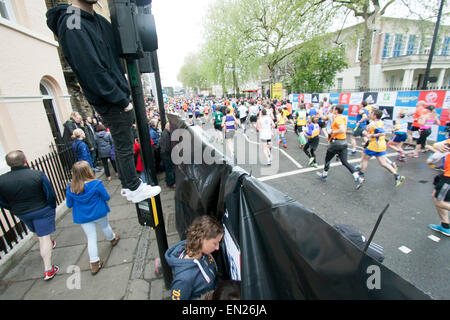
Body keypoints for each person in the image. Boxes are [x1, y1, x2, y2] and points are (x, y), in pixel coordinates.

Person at [46, 0, 161, 204]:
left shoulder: (96, 19)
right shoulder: (72, 20)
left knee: (124, 140)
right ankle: (133, 187)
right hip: (110, 98)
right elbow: (89, 68)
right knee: (124, 142)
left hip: (115, 94)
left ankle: (129, 184)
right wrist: (119, 97)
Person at [0, 151, 59, 280]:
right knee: (44, 237)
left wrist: (12, 208)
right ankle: (48, 269)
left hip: (22, 213)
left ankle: (48, 244)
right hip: (41, 210)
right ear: (25, 160)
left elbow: (2, 201)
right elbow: (49, 193)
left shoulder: (2, 180)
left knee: (36, 232)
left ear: (9, 164)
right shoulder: (37, 175)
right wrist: (51, 206)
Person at [66, 161, 120, 275]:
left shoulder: (71, 188)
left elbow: (69, 205)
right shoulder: (96, 184)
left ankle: (94, 263)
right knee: (105, 227)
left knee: (91, 238)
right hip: (99, 212)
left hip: (83, 217)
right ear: (88, 171)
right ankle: (113, 239)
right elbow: (106, 196)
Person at [165, 215, 224, 300]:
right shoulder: (184, 279)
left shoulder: (203, 253)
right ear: (202, 239)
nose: (217, 247)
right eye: (215, 243)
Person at [317, 105, 363, 189]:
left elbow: (342, 129)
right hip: (344, 142)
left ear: (336, 111)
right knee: (345, 162)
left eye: (334, 109)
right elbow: (328, 118)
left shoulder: (338, 119)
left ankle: (324, 175)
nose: (332, 110)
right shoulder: (342, 117)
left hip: (336, 142)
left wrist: (332, 131)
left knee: (327, 159)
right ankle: (357, 177)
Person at [356, 109, 405, 188]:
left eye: (371, 113)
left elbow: (382, 133)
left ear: (375, 116)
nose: (369, 114)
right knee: (383, 163)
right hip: (380, 145)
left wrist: (370, 135)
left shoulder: (376, 123)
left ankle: (361, 176)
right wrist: (366, 132)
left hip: (374, 145)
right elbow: (373, 130)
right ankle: (397, 176)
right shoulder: (377, 122)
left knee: (365, 159)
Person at [428, 140, 450, 236]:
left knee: (439, 201)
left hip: (448, 177)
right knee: (436, 196)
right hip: (446, 174)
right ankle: (445, 225)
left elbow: (438, 147)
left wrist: (436, 145)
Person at [160, 122, 176, 189]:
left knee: (168, 169)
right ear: (168, 127)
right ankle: (170, 183)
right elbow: (167, 147)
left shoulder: (165, 133)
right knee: (170, 169)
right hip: (167, 155)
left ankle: (168, 180)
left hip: (165, 155)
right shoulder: (166, 134)